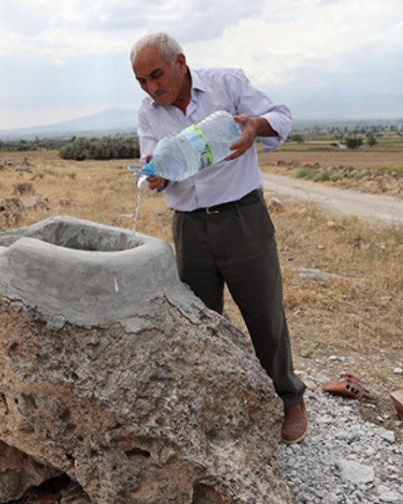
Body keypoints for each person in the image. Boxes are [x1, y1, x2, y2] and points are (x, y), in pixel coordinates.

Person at [130, 32, 308, 444]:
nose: (152, 88)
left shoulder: (227, 84)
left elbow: (280, 116)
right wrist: (154, 173)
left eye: (156, 75)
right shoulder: (147, 112)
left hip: (242, 217)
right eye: (141, 81)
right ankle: (213, 397)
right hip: (190, 226)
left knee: (265, 314)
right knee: (200, 317)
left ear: (180, 62)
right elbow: (152, 162)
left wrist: (255, 126)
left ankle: (289, 398)